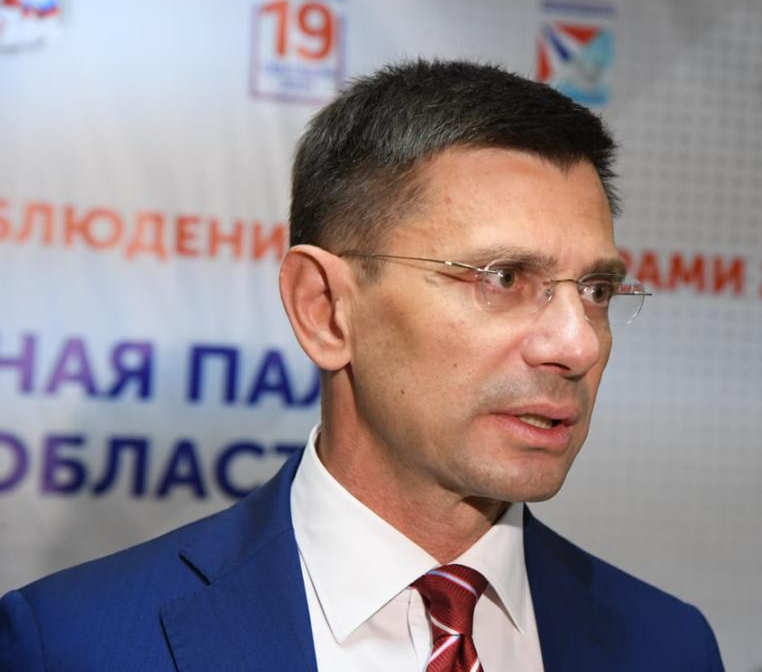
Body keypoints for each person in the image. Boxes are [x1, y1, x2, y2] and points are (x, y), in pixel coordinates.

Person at [0, 60, 724, 671]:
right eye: (503, 278)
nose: (578, 344)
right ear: (324, 309)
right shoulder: (73, 643)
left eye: (595, 290)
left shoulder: (668, 646)